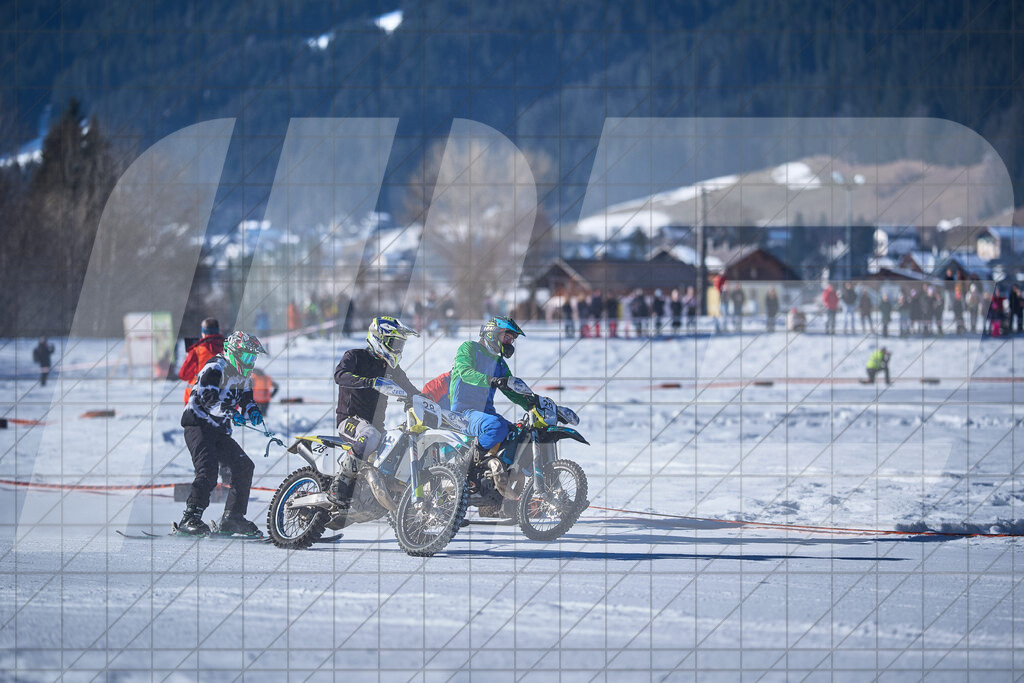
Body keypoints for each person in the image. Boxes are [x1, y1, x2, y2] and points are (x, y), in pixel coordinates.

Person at [178, 331, 267, 536]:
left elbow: (246, 399)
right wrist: (229, 412)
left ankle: (232, 518)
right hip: (198, 426)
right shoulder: (215, 367)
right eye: (247, 356)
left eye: (253, 358)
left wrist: (252, 411)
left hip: (218, 431)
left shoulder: (243, 377)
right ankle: (190, 517)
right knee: (207, 470)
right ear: (233, 352)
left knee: (244, 466)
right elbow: (207, 398)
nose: (250, 362)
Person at [332, 316, 421, 506]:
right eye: (394, 342)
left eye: (400, 344)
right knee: (370, 435)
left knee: (400, 443)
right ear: (378, 338)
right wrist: (369, 382)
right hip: (349, 421)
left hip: (376, 427)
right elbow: (339, 375)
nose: (397, 348)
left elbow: (410, 389)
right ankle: (340, 483)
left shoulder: (391, 369)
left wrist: (428, 401)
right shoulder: (354, 356)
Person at [448, 317, 535, 476]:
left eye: (512, 340)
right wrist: (493, 380)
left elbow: (511, 390)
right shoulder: (469, 348)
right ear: (493, 333)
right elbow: (466, 373)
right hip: (462, 412)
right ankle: (465, 465)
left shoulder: (500, 363)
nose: (509, 343)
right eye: (507, 337)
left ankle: (499, 473)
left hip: (485, 413)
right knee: (496, 426)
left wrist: (533, 403)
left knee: (518, 433)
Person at [177, 318, 225, 404]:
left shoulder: (196, 351)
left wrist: (188, 358)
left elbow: (183, 375)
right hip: (224, 401)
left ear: (204, 332)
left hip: (198, 403)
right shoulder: (230, 349)